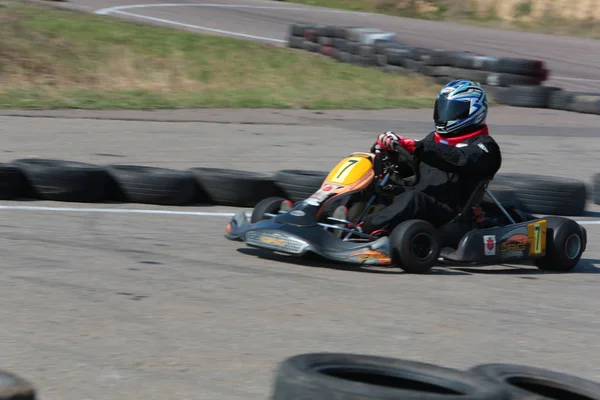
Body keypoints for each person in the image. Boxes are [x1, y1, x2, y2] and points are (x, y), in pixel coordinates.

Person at [354, 80, 503, 236]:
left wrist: (417, 147)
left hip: (451, 215)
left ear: (474, 111)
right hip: (421, 200)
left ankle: (361, 231)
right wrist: (390, 152)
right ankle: (335, 215)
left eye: (454, 110)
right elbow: (412, 166)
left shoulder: (485, 147)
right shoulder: (434, 139)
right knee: (373, 181)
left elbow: (457, 158)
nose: (446, 114)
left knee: (413, 198)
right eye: (443, 108)